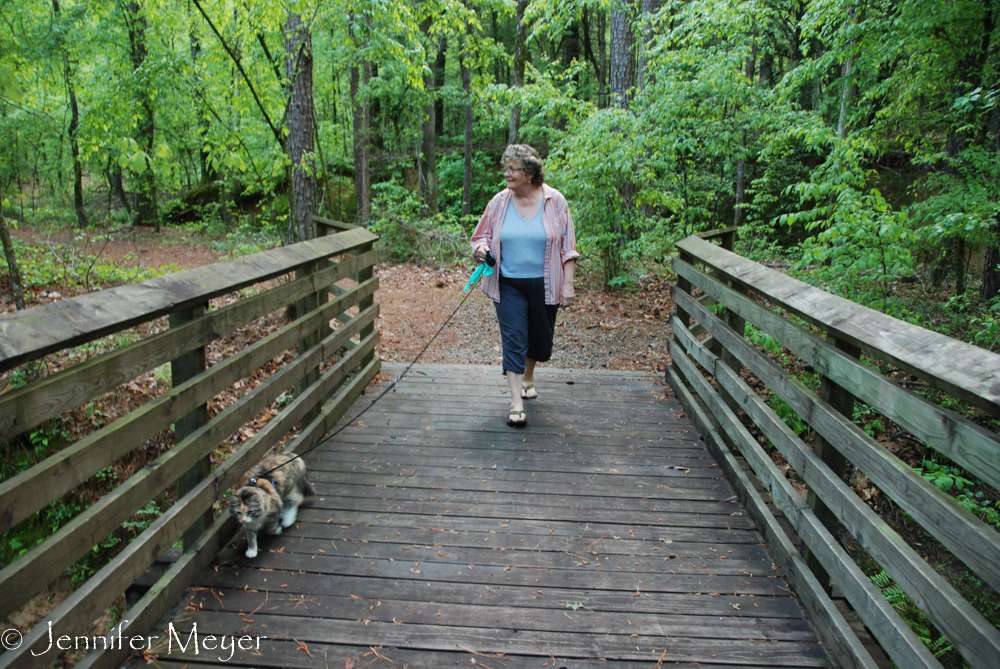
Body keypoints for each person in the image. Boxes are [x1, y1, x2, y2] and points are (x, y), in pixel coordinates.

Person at [471, 144, 579, 426]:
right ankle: (516, 402)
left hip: (547, 284)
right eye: (505, 168)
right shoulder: (498, 202)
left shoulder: (555, 201)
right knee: (514, 338)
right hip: (508, 284)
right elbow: (480, 236)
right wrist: (482, 249)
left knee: (540, 343)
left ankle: (529, 376)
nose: (506, 174)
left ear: (530, 173)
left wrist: (568, 284)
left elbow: (568, 248)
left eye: (512, 169)